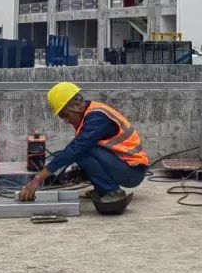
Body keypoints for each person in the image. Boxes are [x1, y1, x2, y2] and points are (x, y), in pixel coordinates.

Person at [20, 82, 149, 208]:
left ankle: (112, 191)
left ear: (77, 106)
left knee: (82, 152)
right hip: (122, 166)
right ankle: (102, 188)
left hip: (132, 172)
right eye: (62, 117)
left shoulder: (97, 118)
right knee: (78, 156)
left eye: (65, 115)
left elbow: (76, 149)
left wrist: (38, 178)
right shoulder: (88, 114)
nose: (66, 121)